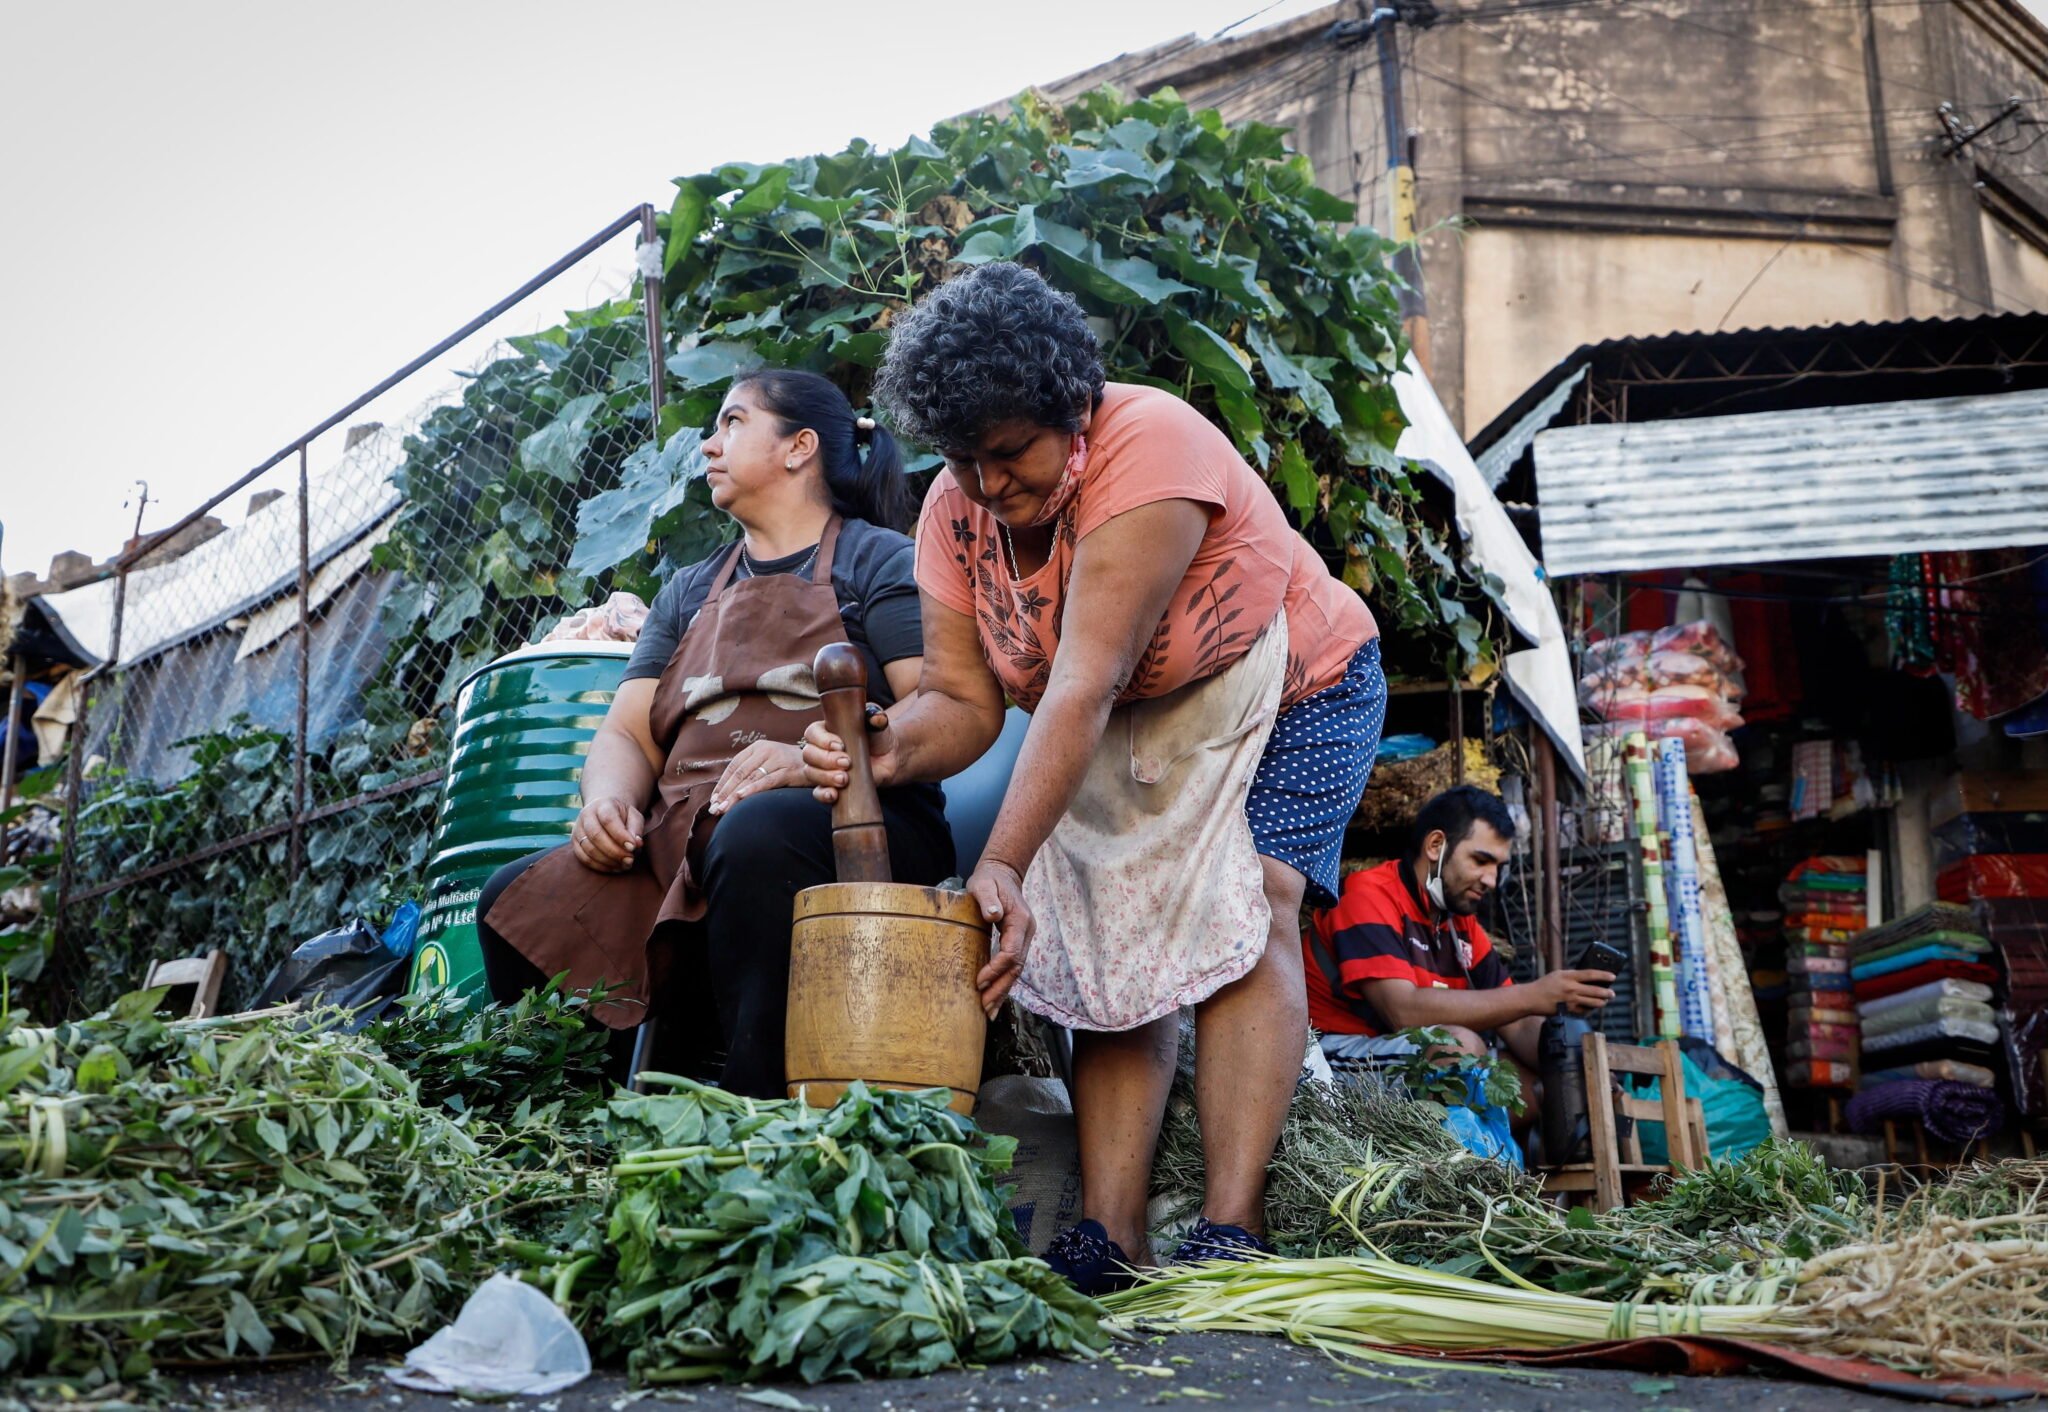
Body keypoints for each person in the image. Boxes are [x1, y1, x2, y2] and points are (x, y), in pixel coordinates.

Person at [800, 261, 1386, 1292]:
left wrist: (1004, 864)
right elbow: (965, 701)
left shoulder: (1150, 448)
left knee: (1256, 896)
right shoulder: (955, 513)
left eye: (1008, 452)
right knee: (1108, 943)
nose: (986, 485)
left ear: (1070, 409)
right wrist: (880, 749)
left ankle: (1229, 1226)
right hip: (1127, 720)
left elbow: (1082, 677)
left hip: (1295, 686)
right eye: (960, 459)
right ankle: (1111, 1237)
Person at [475, 369, 954, 1097]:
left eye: (731, 422)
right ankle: (584, 1140)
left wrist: (809, 758)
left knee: (756, 835)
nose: (708, 445)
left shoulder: (877, 561)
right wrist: (605, 804)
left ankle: (753, 1116)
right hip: (685, 836)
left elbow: (934, 705)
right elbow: (628, 737)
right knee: (516, 899)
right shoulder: (690, 591)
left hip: (857, 821)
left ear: (799, 447)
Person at [1303, 785, 1616, 1111]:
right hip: (1327, 1057)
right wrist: (1535, 995)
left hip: (1395, 1053)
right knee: (1457, 1049)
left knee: (1535, 1086)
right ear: (1436, 845)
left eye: (1498, 866)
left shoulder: (1458, 923)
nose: (1492, 880)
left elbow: (1519, 1022)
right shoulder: (1368, 896)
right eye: (1481, 860)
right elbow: (1402, 1011)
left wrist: (1580, 1064)